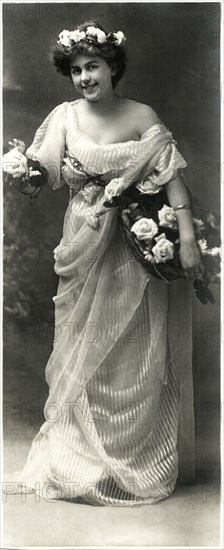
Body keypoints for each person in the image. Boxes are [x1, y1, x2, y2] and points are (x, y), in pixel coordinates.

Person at [3, 20, 203, 506]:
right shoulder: (65, 117)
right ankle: (79, 461)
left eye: (93, 66)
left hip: (135, 242)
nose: (85, 77)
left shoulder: (141, 115)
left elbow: (170, 175)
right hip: (86, 240)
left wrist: (188, 236)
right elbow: (42, 175)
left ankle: (131, 458)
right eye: (76, 70)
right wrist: (19, 172)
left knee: (133, 344)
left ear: (112, 67)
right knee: (82, 346)